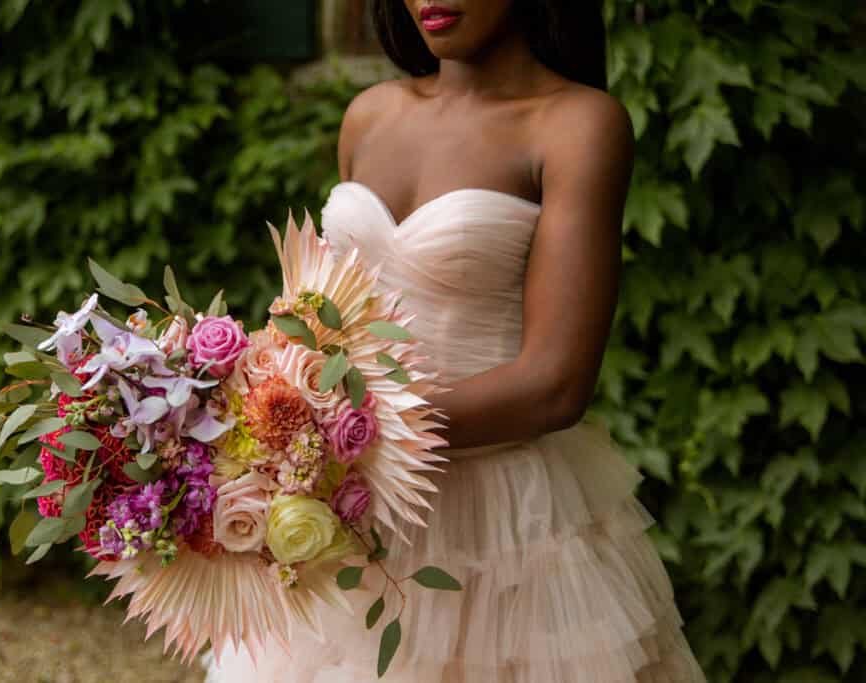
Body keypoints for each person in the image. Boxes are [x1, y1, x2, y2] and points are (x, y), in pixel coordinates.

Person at [205, 1, 707, 680]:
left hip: (499, 516)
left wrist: (340, 439)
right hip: (345, 506)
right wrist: (265, 415)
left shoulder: (576, 124)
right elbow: (324, 319)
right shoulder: (370, 115)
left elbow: (556, 384)